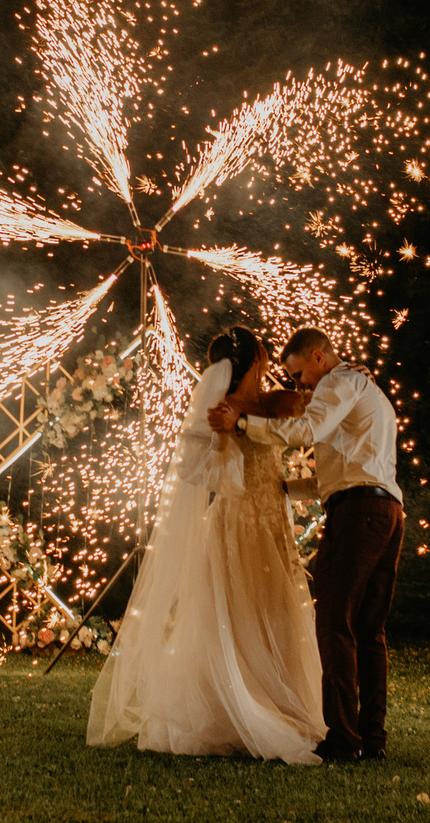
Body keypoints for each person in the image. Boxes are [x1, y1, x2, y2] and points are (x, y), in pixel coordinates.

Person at [87, 326, 326, 762]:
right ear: (255, 359)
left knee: (277, 609)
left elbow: (312, 413)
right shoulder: (224, 409)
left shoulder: (269, 401)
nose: (268, 363)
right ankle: (235, 711)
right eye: (264, 357)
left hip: (274, 520)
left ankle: (285, 707)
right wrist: (225, 438)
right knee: (239, 613)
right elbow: (210, 472)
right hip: (239, 522)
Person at [209, 326, 404, 762]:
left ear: (319, 357)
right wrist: (283, 489)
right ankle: (372, 739)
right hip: (385, 510)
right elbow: (343, 474)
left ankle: (342, 739)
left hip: (358, 514)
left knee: (334, 622)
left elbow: (304, 432)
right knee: (369, 632)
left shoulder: (339, 381)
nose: (299, 386)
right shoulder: (361, 386)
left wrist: (240, 422)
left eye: (299, 375)